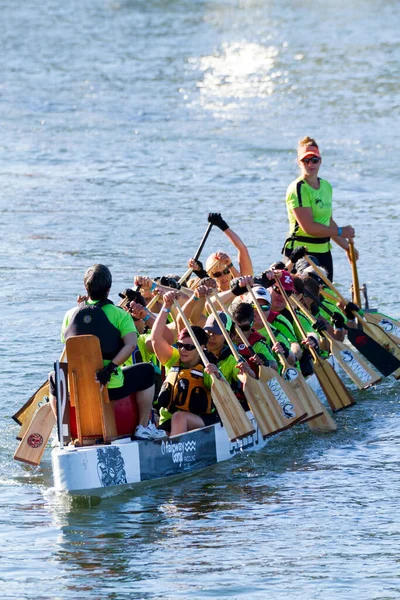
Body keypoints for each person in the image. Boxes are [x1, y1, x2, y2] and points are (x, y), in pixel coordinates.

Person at [49, 264, 166, 440]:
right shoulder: (119, 314)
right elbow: (131, 346)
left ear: (86, 288)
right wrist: (109, 369)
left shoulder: (70, 315)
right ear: (109, 288)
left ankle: (63, 433)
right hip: (111, 386)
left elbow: (70, 346)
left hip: (77, 386)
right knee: (148, 371)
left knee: (54, 376)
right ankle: (143, 427)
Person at [282, 136, 357, 280]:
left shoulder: (326, 187)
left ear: (320, 161)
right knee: (307, 299)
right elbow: (309, 227)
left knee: (326, 299)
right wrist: (341, 231)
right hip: (301, 255)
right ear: (299, 163)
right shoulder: (298, 188)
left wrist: (347, 247)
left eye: (314, 160)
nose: (310, 164)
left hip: (324, 252)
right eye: (306, 160)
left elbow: (327, 222)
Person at [150, 291, 221, 436]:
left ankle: (177, 451)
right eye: (180, 345)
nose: (183, 350)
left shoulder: (207, 367)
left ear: (201, 348)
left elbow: (221, 391)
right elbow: (156, 338)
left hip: (203, 420)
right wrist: (166, 306)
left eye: (189, 347)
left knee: (179, 417)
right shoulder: (173, 360)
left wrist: (217, 376)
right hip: (170, 422)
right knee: (171, 423)